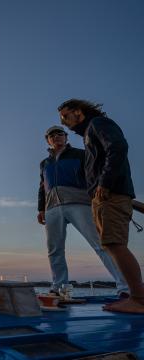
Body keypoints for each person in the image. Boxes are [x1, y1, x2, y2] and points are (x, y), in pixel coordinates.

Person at [59, 99, 144, 314]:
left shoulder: (97, 124)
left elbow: (118, 147)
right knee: (110, 244)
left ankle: (139, 299)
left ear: (79, 112)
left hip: (109, 194)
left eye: (66, 116)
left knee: (115, 243)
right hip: (104, 197)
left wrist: (105, 184)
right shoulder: (89, 134)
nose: (64, 122)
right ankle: (136, 296)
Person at [38, 125, 127, 295]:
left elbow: (94, 175)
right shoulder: (45, 163)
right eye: (52, 135)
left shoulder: (81, 154)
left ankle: (125, 287)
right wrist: (41, 208)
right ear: (48, 140)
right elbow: (42, 188)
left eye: (60, 134)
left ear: (66, 137)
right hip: (52, 208)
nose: (56, 137)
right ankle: (58, 287)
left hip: (79, 203)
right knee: (54, 249)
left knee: (100, 244)